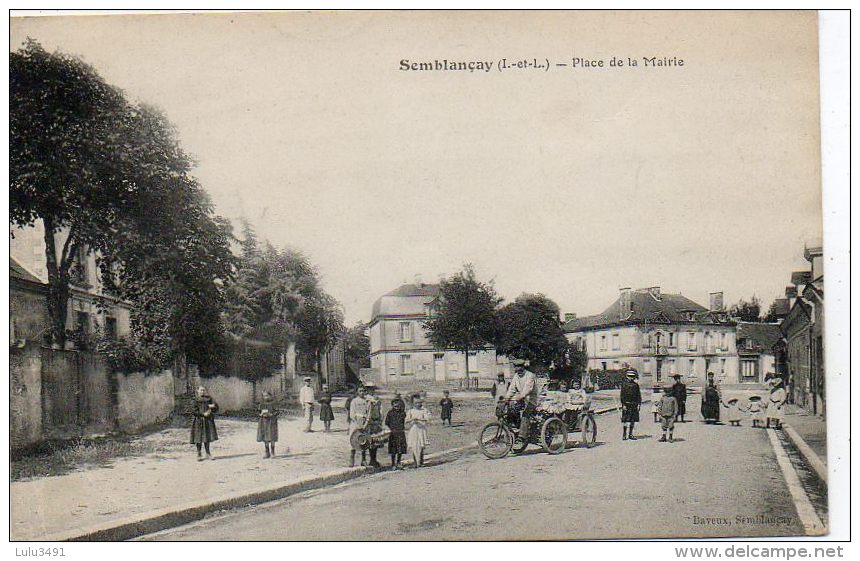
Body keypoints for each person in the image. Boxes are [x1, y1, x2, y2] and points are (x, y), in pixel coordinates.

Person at [504, 358, 539, 444]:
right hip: (521, 399)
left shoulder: (530, 375)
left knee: (525, 414)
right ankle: (518, 429)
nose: (518, 371)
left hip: (531, 400)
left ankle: (522, 436)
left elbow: (528, 389)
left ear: (523, 367)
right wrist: (506, 398)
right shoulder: (516, 376)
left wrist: (520, 397)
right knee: (510, 412)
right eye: (516, 368)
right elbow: (512, 388)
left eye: (519, 369)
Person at [189, 386, 219, 461]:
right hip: (198, 420)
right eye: (201, 390)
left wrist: (213, 406)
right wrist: (202, 414)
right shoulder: (195, 399)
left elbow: (216, 408)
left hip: (208, 421)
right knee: (198, 437)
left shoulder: (209, 398)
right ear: (197, 391)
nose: (202, 391)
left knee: (207, 437)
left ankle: (208, 453)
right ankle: (199, 454)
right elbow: (193, 411)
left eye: (204, 390)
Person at [406, 396, 431, 467]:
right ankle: (415, 462)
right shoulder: (411, 411)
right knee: (414, 445)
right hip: (414, 429)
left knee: (421, 445)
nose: (418, 404)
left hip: (421, 429)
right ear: (413, 403)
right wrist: (412, 419)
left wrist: (420, 419)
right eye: (416, 403)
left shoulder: (424, 410)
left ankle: (421, 461)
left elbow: (428, 418)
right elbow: (406, 420)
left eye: (419, 402)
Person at [348, 386, 369, 467]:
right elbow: (352, 414)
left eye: (363, 391)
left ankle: (363, 460)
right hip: (355, 423)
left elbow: (368, 413)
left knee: (364, 441)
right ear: (357, 392)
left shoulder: (366, 401)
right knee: (353, 440)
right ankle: (351, 460)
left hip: (364, 423)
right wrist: (357, 424)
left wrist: (365, 424)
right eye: (360, 391)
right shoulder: (354, 401)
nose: (362, 392)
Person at [385, 397, 407, 469]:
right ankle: (393, 464)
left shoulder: (403, 413)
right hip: (393, 433)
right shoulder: (390, 413)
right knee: (393, 450)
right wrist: (391, 428)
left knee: (400, 449)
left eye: (398, 405)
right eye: (395, 405)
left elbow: (405, 421)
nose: (397, 407)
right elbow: (386, 422)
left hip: (400, 432)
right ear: (392, 405)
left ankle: (398, 462)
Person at [620, 369, 642, 440]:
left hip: (634, 404)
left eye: (632, 376)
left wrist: (639, 404)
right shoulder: (624, 385)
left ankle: (630, 434)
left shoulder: (636, 385)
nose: (631, 378)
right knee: (625, 420)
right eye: (629, 376)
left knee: (633, 420)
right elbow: (622, 395)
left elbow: (638, 395)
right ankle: (624, 434)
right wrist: (623, 404)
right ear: (627, 376)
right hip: (626, 404)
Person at [256, 390, 279, 458]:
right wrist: (261, 414)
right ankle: (267, 452)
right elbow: (258, 412)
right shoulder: (261, 404)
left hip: (272, 422)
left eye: (267, 395)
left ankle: (273, 452)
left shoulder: (274, 403)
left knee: (272, 436)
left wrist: (271, 414)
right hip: (263, 422)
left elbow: (277, 412)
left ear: (270, 395)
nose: (265, 397)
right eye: (264, 396)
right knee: (265, 437)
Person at [365, 384, 383, 467]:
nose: (371, 391)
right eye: (369, 389)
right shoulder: (366, 399)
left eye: (372, 389)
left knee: (376, 441)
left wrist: (380, 420)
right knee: (369, 441)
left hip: (376, 421)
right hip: (369, 422)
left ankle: (374, 459)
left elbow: (380, 410)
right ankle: (367, 460)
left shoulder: (377, 399)